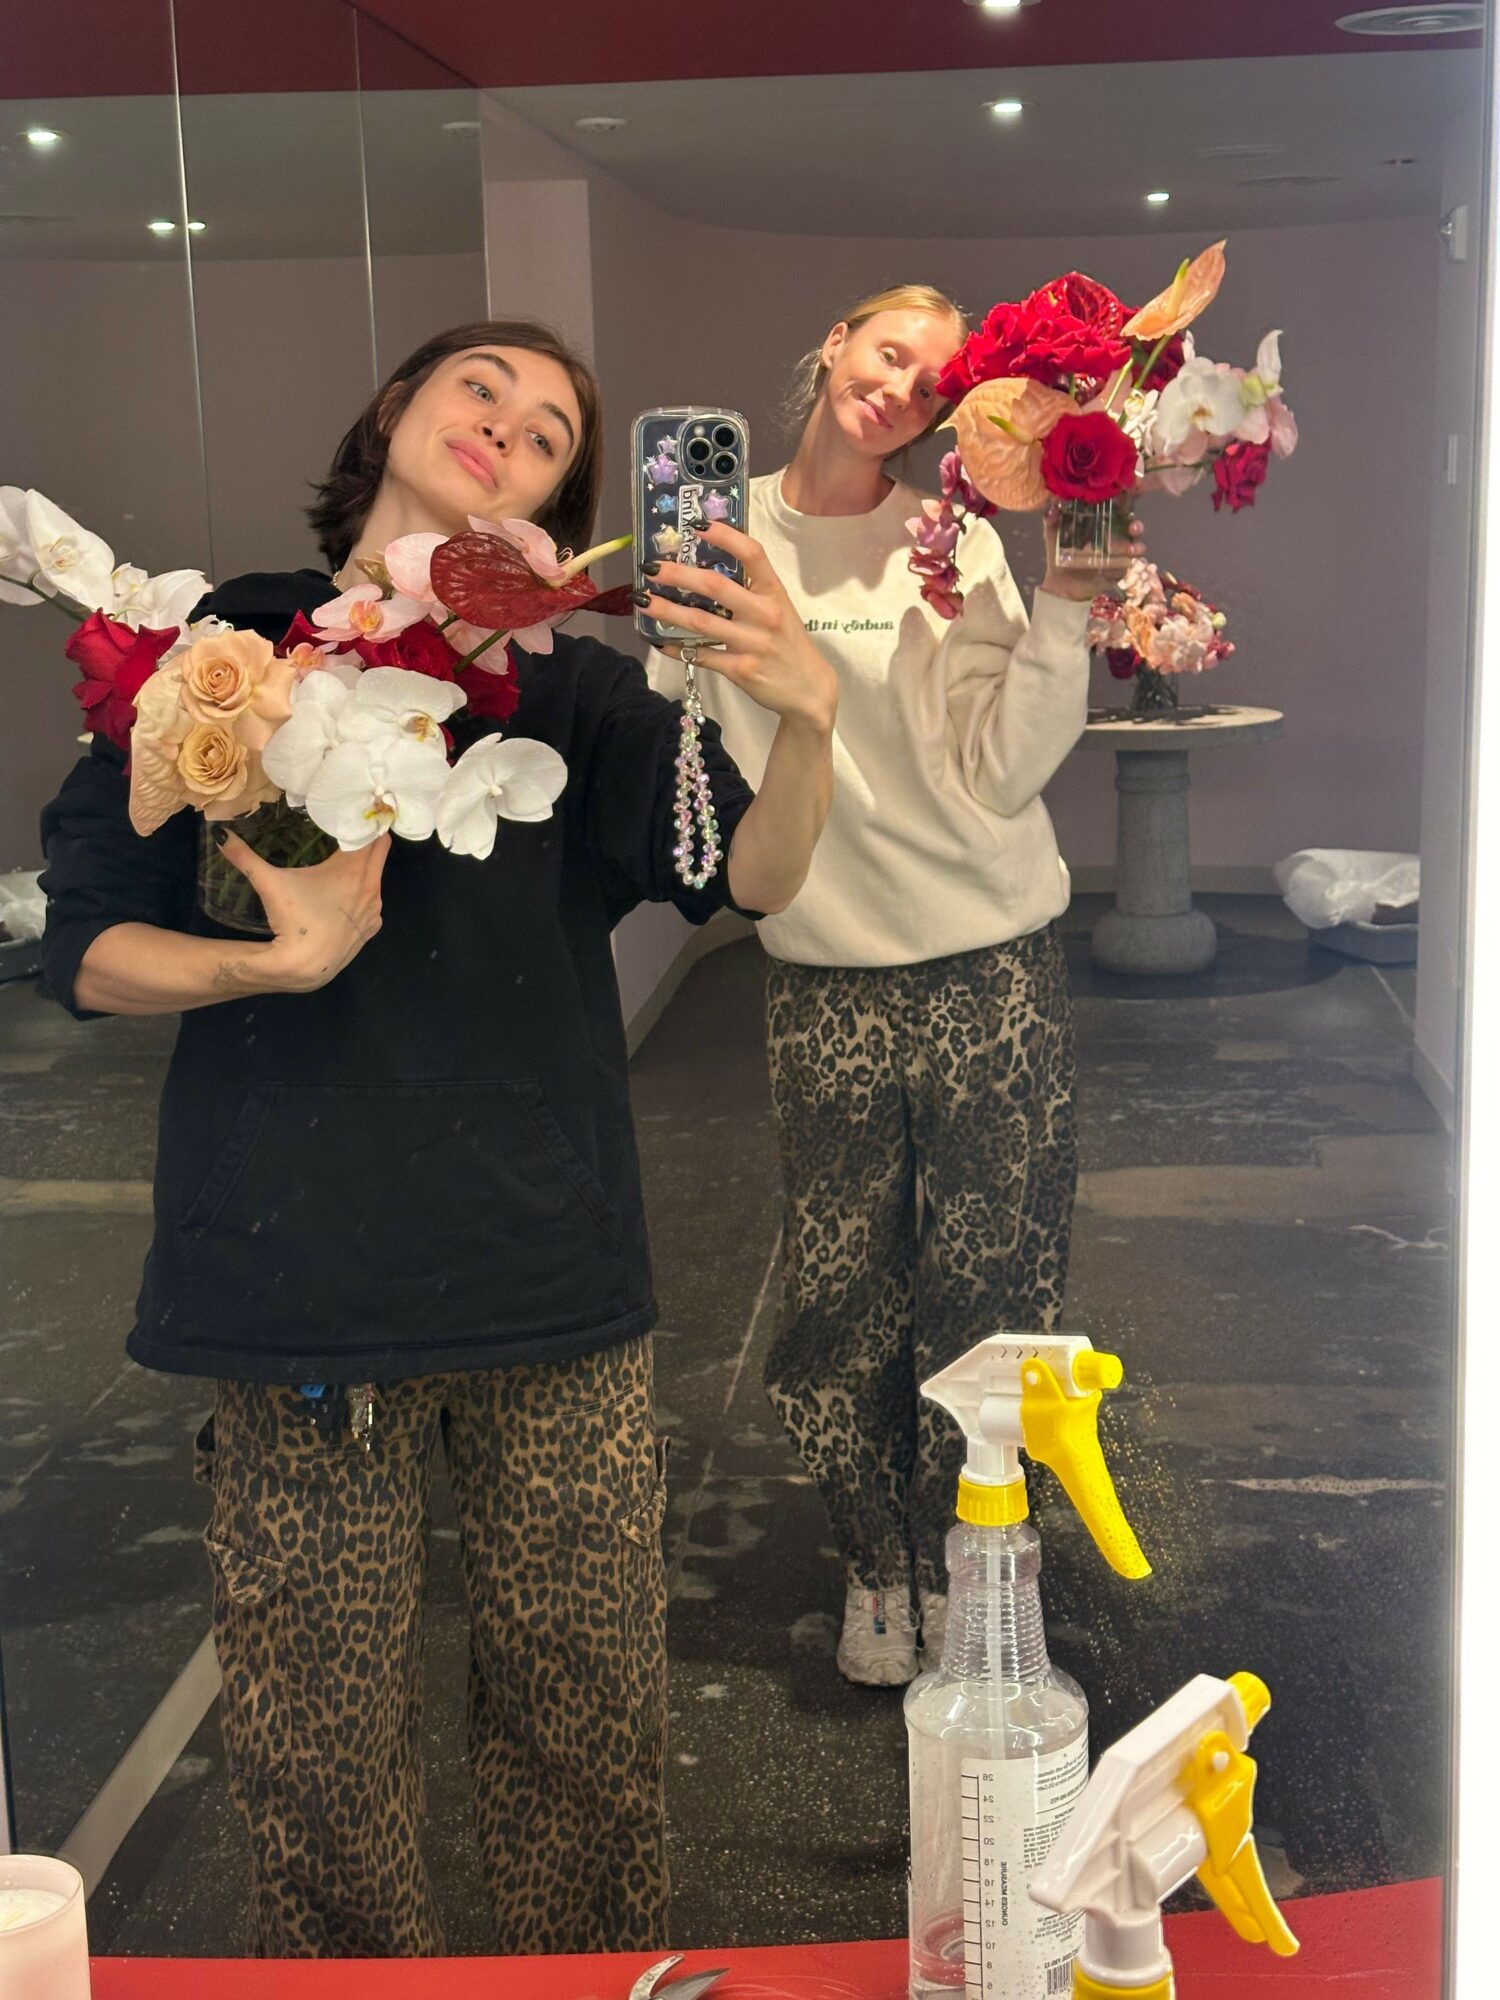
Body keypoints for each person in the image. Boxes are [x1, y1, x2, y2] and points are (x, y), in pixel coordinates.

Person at [37, 319, 837, 1957]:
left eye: (548, 435)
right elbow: (88, 952)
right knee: (316, 1754)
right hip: (295, 1279)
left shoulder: (581, 695)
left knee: (587, 1728)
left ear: (553, 508)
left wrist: (810, 719)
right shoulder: (221, 649)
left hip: (545, 1273)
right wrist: (271, 964)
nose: (508, 428)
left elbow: (747, 877)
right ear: (398, 404)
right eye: (484, 388)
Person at [649, 284, 1127, 1687]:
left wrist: (1065, 611)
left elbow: (1001, 770)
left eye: (934, 380)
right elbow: (687, 738)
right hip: (827, 975)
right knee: (838, 1291)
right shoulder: (718, 536)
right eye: (889, 351)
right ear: (836, 343)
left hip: (992, 964)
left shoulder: (952, 538)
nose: (902, 387)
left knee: (996, 1283)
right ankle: (875, 1558)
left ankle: (978, 1561)